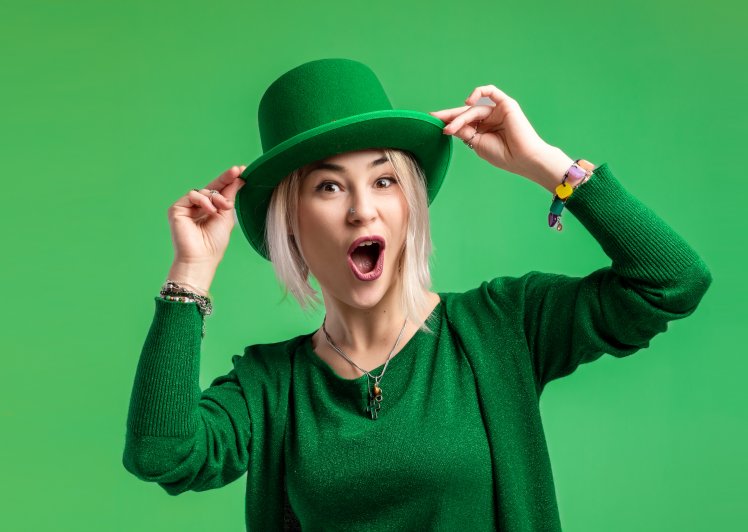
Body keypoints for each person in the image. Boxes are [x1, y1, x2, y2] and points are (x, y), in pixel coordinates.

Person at [123, 58, 712, 531]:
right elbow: (163, 454)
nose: (362, 209)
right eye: (329, 187)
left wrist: (549, 166)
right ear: (292, 224)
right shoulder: (269, 387)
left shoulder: (500, 327)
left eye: (384, 181)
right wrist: (191, 271)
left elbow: (672, 280)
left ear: (409, 205)